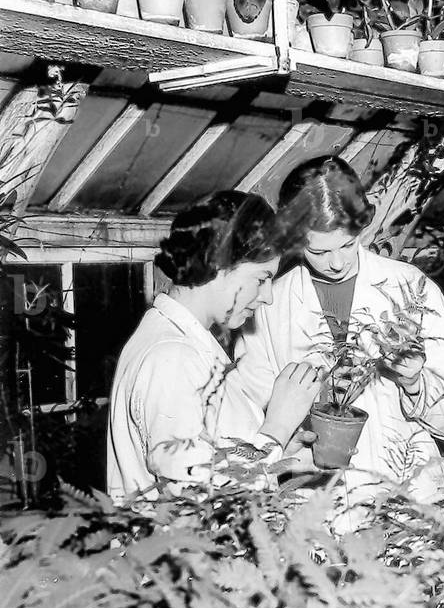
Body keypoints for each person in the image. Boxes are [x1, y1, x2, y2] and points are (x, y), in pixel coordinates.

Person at [232, 156, 444, 502]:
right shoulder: (269, 305)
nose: (336, 262)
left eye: (347, 244)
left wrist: (414, 383)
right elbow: (248, 414)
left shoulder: (409, 287)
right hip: (315, 504)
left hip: (409, 498)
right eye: (318, 250)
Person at [107, 191, 323, 502]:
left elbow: (211, 460)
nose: (268, 296)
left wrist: (277, 453)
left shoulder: (188, 341)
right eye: (262, 278)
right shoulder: (172, 358)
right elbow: (195, 496)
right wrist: (277, 426)